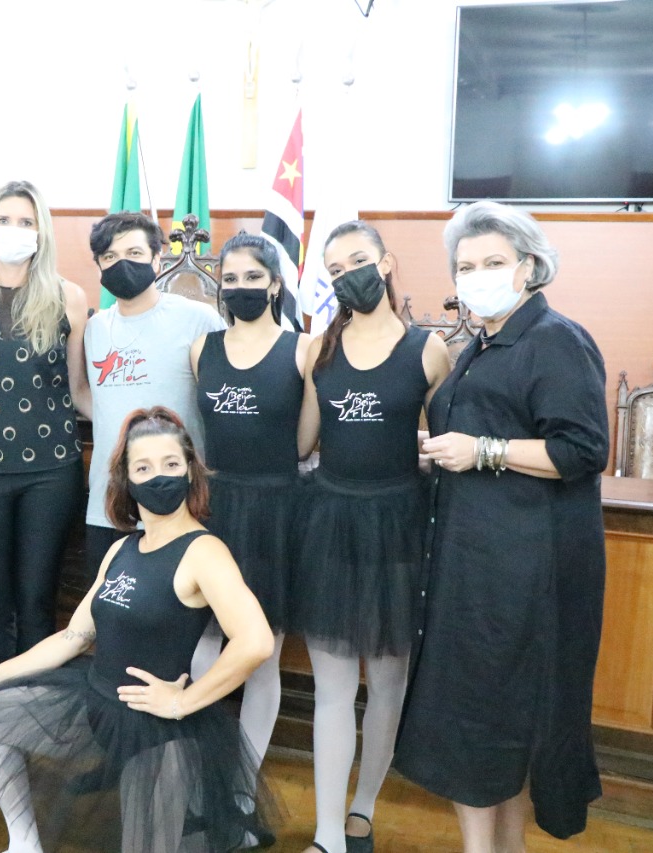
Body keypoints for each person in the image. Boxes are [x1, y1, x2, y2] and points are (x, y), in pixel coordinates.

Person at [0, 406, 281, 853]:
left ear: (190, 471)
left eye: (171, 464)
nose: (159, 477)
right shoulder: (122, 549)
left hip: (158, 734)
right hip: (97, 708)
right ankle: (24, 844)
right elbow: (73, 638)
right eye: (143, 468)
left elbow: (256, 642)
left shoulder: (205, 552)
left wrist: (183, 702)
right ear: (126, 480)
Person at [393, 202, 608, 852]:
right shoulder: (483, 343)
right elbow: (484, 431)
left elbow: (581, 450)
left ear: (529, 266)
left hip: (520, 573)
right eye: (465, 266)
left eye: (493, 262)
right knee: (484, 722)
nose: (476, 275)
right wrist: (442, 448)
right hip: (472, 563)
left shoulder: (554, 339)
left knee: (490, 721)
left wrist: (482, 450)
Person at [295, 221, 451, 853]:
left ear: (385, 264)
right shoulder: (319, 350)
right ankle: (328, 833)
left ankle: (363, 807)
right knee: (332, 690)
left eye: (357, 261)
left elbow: (446, 444)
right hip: (331, 524)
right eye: (334, 269)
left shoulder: (428, 349)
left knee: (387, 684)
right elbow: (304, 442)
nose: (346, 275)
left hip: (400, 529)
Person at [0, 180, 91, 669]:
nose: (15, 229)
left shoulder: (69, 297)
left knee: (37, 602)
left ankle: (33, 703)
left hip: (51, 471)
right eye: (5, 220)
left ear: (41, 231)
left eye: (26, 222)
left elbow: (78, 391)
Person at [189, 232, 310, 768]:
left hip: (277, 511)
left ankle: (244, 778)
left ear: (276, 284)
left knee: (262, 650)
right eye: (231, 279)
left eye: (253, 277)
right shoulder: (203, 348)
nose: (241, 287)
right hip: (213, 507)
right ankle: (205, 761)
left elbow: (304, 443)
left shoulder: (303, 348)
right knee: (201, 643)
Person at [83, 212, 226, 574]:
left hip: (179, 502)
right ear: (99, 266)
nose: (122, 263)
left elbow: (220, 401)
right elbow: (88, 396)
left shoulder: (199, 319)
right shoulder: (94, 328)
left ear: (157, 259)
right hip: (110, 504)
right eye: (110, 257)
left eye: (134, 253)